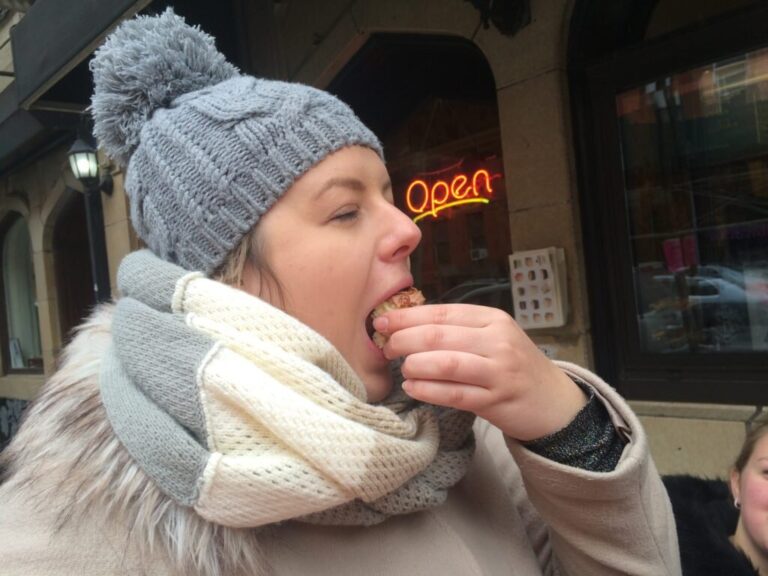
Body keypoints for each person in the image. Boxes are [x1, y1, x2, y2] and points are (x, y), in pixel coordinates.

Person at [0, 9, 680, 576]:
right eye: (345, 211)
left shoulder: (463, 429)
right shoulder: (70, 530)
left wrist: (569, 430)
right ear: (224, 274)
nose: (408, 229)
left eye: (387, 195)